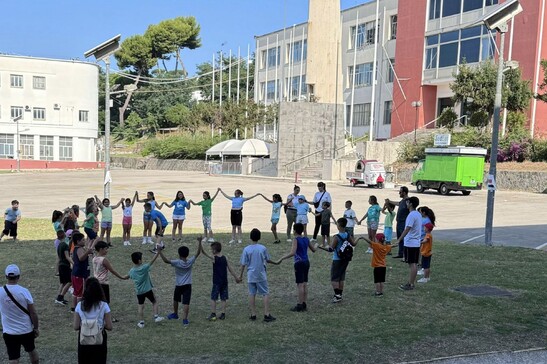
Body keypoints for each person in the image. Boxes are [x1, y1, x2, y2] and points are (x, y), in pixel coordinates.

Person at [0, 264, 39, 364]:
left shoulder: (1, 291)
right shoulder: (24, 291)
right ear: (18, 276)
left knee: (13, 357)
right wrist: (36, 327)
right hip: (26, 329)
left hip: (9, 331)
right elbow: (33, 312)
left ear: (6, 277)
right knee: (31, 351)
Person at [158, 239, 201, 327]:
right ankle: (185, 319)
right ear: (187, 254)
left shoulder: (177, 262)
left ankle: (175, 314)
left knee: (176, 299)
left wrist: (160, 252)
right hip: (188, 285)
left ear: (179, 254)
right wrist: (200, 242)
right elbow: (198, 253)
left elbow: (166, 261)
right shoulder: (190, 261)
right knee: (186, 302)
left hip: (178, 285)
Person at [275, 223, 317, 312]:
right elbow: (313, 250)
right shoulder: (306, 239)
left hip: (299, 263)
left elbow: (293, 252)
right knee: (305, 283)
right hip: (306, 262)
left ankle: (300, 304)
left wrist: (282, 258)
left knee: (300, 284)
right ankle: (304, 303)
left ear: (294, 230)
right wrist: (316, 246)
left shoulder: (295, 240)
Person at [239, 228, 277, 322]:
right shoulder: (262, 248)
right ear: (259, 237)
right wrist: (276, 262)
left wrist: (240, 276)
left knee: (252, 294)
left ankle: (253, 314)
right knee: (265, 293)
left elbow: (243, 264)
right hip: (260, 274)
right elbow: (267, 259)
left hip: (250, 275)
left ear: (250, 237)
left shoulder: (246, 249)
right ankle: (266, 314)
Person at [73, 277, 112, 364]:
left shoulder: (80, 305)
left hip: (84, 339)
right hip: (99, 339)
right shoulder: (104, 305)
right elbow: (109, 326)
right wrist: (100, 324)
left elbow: (75, 327)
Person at [200, 240, 241, 321]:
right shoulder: (225, 258)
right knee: (223, 298)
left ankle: (213, 314)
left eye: (211, 250)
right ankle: (223, 314)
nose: (211, 251)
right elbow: (230, 269)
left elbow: (203, 252)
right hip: (224, 282)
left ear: (214, 250)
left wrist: (200, 242)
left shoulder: (214, 258)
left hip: (216, 282)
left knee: (213, 298)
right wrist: (236, 277)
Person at [127, 251, 165, 328]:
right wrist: (158, 252)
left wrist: (119, 276)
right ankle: (156, 317)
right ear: (139, 260)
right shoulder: (144, 267)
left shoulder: (132, 271)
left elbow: (127, 276)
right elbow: (152, 261)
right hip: (148, 290)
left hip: (139, 292)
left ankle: (141, 323)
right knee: (154, 302)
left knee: (140, 306)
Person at [93, 241, 128, 322]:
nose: (107, 251)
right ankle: (107, 318)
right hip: (103, 283)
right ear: (101, 249)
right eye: (105, 249)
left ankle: (98, 315)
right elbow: (112, 270)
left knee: (98, 301)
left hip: (96, 282)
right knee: (105, 301)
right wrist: (122, 277)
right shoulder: (104, 260)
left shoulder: (94, 258)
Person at [327, 218, 357, 303]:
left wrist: (326, 247)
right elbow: (353, 243)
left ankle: (337, 295)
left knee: (334, 278)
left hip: (337, 259)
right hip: (345, 259)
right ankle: (340, 294)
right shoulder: (347, 235)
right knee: (341, 277)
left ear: (339, 226)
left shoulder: (336, 237)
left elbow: (331, 249)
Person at [396, 196, 421, 291]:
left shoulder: (411, 215)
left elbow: (407, 228)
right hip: (415, 243)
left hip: (411, 243)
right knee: (413, 263)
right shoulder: (417, 214)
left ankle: (411, 284)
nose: (406, 204)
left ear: (410, 204)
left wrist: (399, 239)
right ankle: (411, 283)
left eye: (407, 202)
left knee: (412, 264)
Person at [386, 186, 410, 260]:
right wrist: (389, 201)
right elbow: (398, 203)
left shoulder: (408, 201)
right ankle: (400, 253)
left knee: (404, 238)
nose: (399, 193)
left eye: (400, 192)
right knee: (399, 238)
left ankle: (405, 255)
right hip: (399, 222)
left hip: (404, 222)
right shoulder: (402, 201)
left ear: (404, 192)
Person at [71, 232, 93, 312]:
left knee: (75, 292)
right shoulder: (79, 249)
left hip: (75, 273)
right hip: (80, 274)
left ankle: (73, 308)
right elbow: (81, 258)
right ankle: (79, 309)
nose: (84, 241)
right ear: (77, 241)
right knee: (80, 293)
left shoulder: (77, 249)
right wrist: (87, 252)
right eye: (83, 240)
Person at [56, 230, 74, 306]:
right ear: (64, 235)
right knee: (70, 281)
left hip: (60, 265)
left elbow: (59, 257)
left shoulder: (59, 245)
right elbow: (67, 257)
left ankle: (58, 297)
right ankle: (60, 297)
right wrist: (74, 263)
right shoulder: (65, 245)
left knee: (63, 283)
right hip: (65, 265)